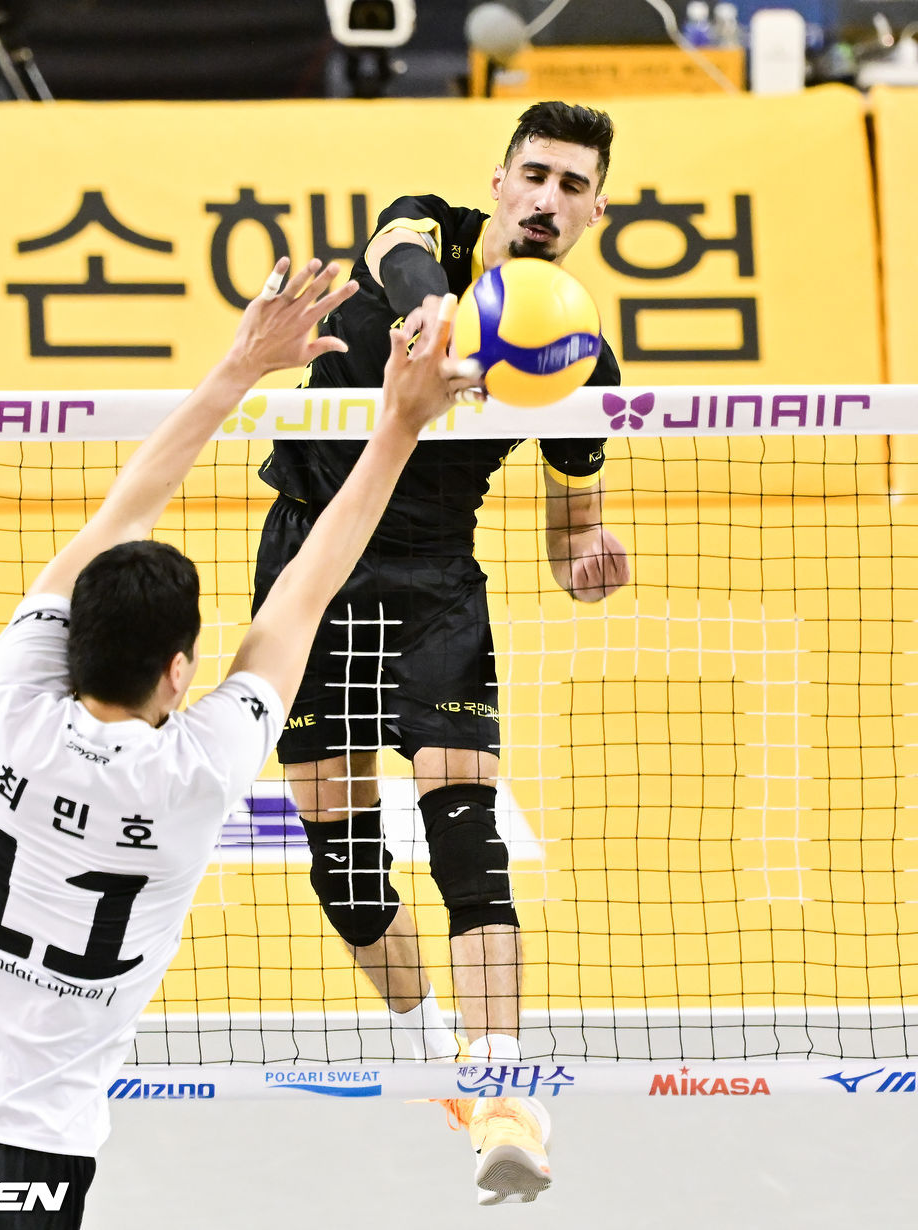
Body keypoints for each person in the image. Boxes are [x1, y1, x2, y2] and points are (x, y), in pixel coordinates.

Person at [0, 259, 476, 1229]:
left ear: (67, 638)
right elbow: (305, 593)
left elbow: (126, 509)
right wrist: (400, 427)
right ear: (179, 673)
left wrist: (240, 365)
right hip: (37, 1150)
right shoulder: (199, 772)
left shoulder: (8, 701)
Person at [251, 101, 631, 1205]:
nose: (548, 199)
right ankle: (436, 1058)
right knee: (346, 870)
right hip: (310, 563)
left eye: (572, 185)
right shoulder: (429, 236)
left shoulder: (581, 358)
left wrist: (586, 556)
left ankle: (501, 1093)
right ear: (501, 184)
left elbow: (570, 531)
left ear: (596, 212)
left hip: (433, 585)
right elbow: (392, 248)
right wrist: (434, 315)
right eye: (534, 176)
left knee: (468, 838)